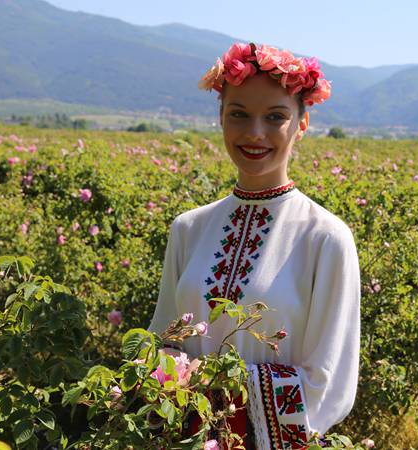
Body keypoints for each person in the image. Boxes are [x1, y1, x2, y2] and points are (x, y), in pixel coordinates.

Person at [148, 42, 360, 450]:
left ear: (302, 123)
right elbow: (164, 340)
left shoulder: (326, 238)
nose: (254, 133)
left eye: (276, 117)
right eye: (239, 115)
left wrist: (208, 393)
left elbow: (327, 383)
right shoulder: (189, 228)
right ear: (221, 117)